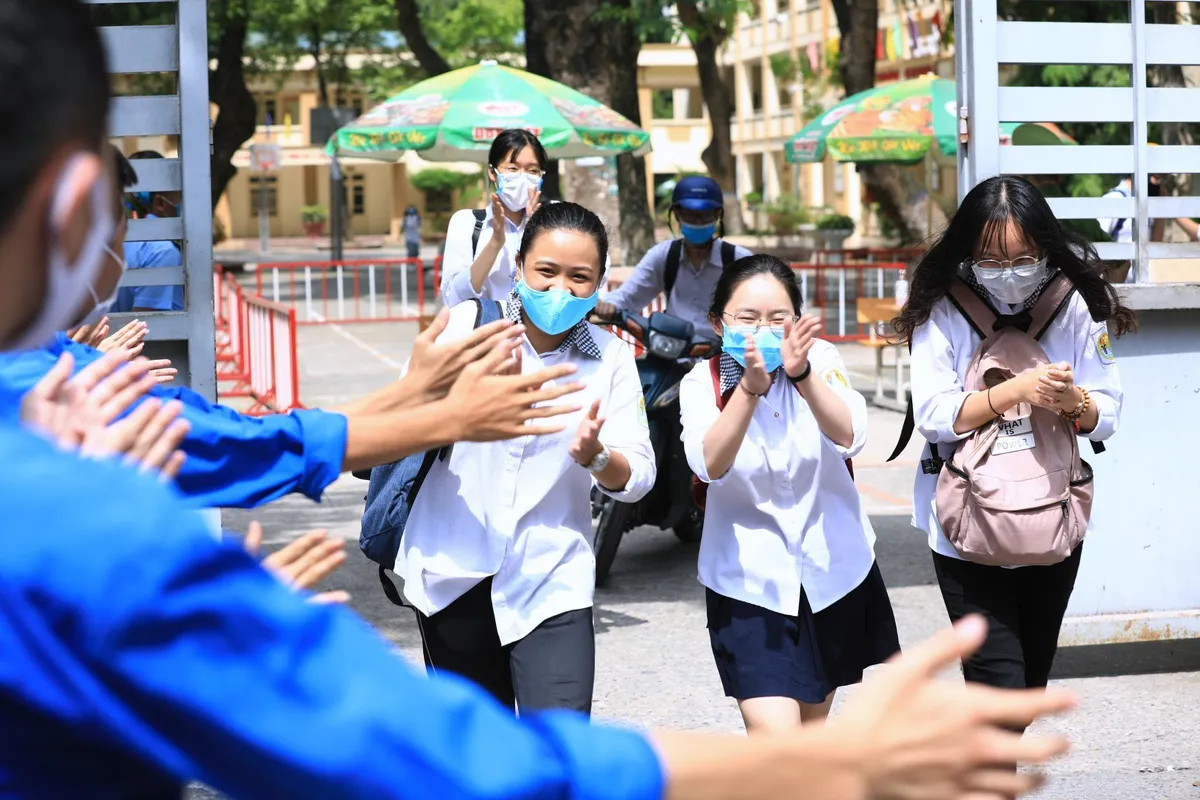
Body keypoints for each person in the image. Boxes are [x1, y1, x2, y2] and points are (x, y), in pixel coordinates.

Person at [0, 2, 1081, 796]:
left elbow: (241, 443)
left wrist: (183, 592)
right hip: (457, 572)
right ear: (79, 204)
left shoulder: (68, 449)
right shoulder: (78, 515)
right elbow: (441, 757)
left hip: (558, 575)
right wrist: (821, 762)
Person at [0, 144, 570, 510]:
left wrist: (413, 395)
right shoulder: (58, 392)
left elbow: (234, 433)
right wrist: (445, 417)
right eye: (125, 236)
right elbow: (245, 446)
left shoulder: (61, 368)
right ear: (72, 224)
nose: (124, 260)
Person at [400, 202, 654, 715]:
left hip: (552, 578)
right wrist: (443, 401)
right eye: (546, 271)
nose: (561, 289)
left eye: (580, 277)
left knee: (560, 748)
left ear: (600, 283)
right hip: (453, 573)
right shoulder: (468, 329)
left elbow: (639, 474)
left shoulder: (612, 358)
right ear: (519, 267)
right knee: (482, 760)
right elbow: (398, 424)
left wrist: (597, 456)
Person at [893, 174, 1132, 696]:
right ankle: (991, 774)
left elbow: (1109, 413)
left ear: (1046, 248)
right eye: (990, 261)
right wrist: (1015, 389)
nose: (1008, 276)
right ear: (966, 251)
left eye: (1022, 259)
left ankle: (985, 771)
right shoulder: (942, 304)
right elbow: (934, 414)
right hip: (964, 521)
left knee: (1031, 680)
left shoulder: (1073, 302)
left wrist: (1072, 401)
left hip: (1051, 510)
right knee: (997, 678)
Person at [681, 255, 900, 733]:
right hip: (748, 586)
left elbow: (851, 434)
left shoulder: (820, 360)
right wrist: (749, 391)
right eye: (747, 318)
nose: (763, 329)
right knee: (777, 741)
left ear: (796, 322)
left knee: (810, 736)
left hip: (831, 575)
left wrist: (801, 377)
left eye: (778, 318)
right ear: (720, 322)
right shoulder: (703, 381)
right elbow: (708, 463)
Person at [594, 175, 751, 331]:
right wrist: (607, 305)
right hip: (674, 348)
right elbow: (629, 295)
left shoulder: (740, 260)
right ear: (677, 214)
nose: (698, 221)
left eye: (705, 214)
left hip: (725, 351)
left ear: (717, 215)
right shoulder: (664, 255)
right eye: (690, 214)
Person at [440, 128, 544, 305]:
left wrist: (538, 231)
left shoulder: (555, 220)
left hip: (538, 331)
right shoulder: (467, 223)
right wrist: (495, 243)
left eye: (532, 171)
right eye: (513, 168)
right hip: (486, 329)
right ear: (492, 172)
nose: (522, 177)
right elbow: (453, 297)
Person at [112, 149, 185, 312]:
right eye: (178, 197)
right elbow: (147, 323)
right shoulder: (162, 250)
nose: (182, 204)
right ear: (160, 203)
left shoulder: (113, 240)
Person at [1095, 174, 1166, 283]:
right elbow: (1096, 246)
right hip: (1118, 286)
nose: (1160, 181)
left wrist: (1161, 204)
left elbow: (1156, 244)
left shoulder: (1147, 203)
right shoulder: (1116, 198)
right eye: (1157, 176)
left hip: (1141, 284)